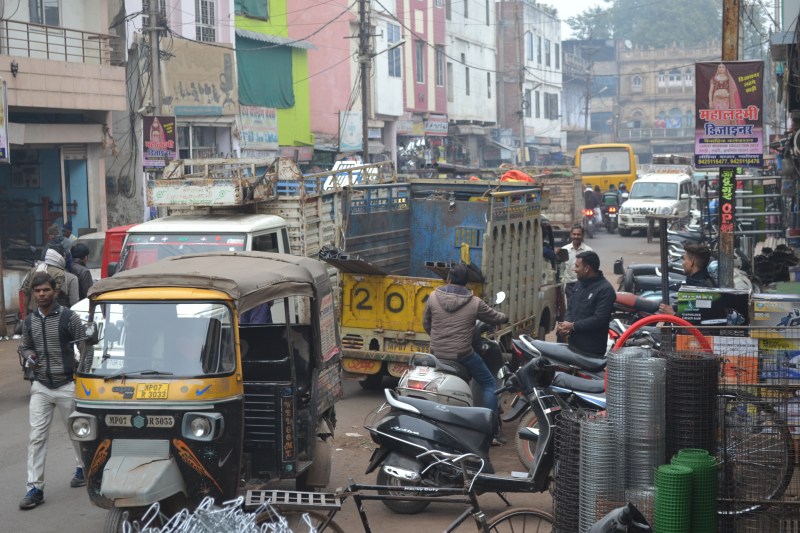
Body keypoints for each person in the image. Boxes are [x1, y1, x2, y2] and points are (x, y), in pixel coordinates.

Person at [18, 272, 87, 510]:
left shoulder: (70, 317)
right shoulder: (29, 321)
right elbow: (25, 346)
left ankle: (83, 467)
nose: (41, 294)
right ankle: (34, 488)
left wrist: (86, 375)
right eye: (37, 291)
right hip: (40, 387)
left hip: (68, 384)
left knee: (76, 433)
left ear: (54, 291)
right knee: (36, 438)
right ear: (33, 294)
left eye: (45, 290)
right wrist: (29, 356)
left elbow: (84, 347)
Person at [422, 264, 508, 437]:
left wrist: (437, 338)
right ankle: (490, 429)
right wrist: (504, 317)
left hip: (437, 353)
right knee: (489, 384)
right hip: (462, 355)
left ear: (449, 279)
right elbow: (494, 316)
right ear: (466, 282)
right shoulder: (475, 302)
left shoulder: (432, 297)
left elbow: (426, 323)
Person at [556, 251, 615, 358]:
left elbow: (599, 319)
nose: (574, 269)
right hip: (573, 345)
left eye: (577, 266)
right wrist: (566, 324)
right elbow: (571, 307)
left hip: (591, 350)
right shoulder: (579, 283)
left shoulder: (605, 290)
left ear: (587, 268)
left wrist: (573, 326)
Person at [658, 243, 715, 316]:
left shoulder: (701, 289)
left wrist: (673, 314)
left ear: (692, 262)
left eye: (684, 259)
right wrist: (674, 307)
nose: (682, 263)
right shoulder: (696, 282)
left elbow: (697, 318)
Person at [560, 225, 593, 308]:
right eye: (574, 234)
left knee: (583, 308)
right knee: (571, 308)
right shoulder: (564, 250)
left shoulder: (589, 251)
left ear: (582, 235)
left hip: (584, 285)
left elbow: (592, 270)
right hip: (570, 285)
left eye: (578, 234)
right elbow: (560, 269)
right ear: (571, 235)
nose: (576, 236)